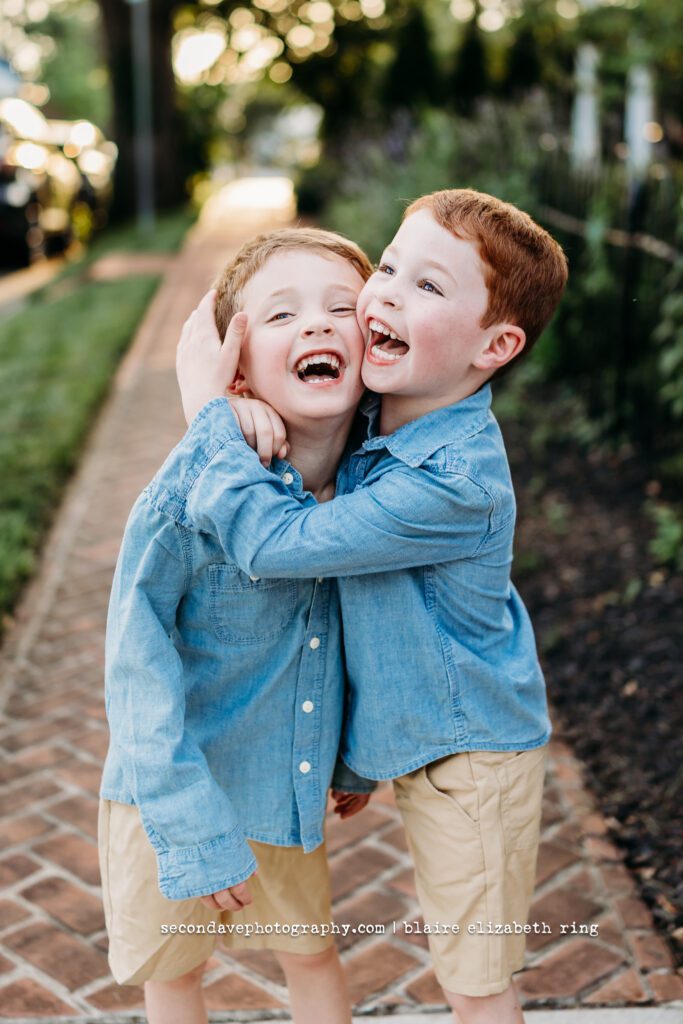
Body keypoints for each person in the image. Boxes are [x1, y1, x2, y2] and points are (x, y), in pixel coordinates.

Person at [155, 188, 569, 1024]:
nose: (383, 294)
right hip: (420, 734)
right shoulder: (385, 411)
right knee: (463, 962)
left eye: (427, 288)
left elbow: (278, 547)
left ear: (496, 344)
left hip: (474, 759)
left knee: (473, 977)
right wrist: (240, 400)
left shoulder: (451, 481)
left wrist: (205, 412)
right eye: (386, 267)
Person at [99, 227, 377, 1024]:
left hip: (281, 789)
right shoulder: (191, 490)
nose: (318, 325)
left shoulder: (375, 485)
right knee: (176, 974)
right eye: (281, 315)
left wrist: (351, 754)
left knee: (309, 951)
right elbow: (135, 663)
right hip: (171, 793)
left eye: (339, 308)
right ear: (238, 365)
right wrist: (186, 826)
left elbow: (362, 631)